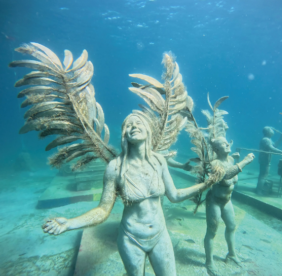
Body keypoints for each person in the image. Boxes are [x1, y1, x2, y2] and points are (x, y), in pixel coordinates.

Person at [42, 113, 220, 276]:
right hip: (131, 238)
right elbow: (103, 210)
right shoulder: (115, 168)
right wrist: (70, 223)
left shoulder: (159, 161)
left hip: (160, 234)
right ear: (124, 135)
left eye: (138, 122)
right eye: (128, 125)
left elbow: (174, 195)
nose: (133, 126)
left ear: (148, 129)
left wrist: (206, 184)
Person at [204, 137, 254, 276]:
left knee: (231, 227)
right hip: (214, 201)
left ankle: (231, 254)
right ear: (217, 149)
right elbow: (225, 176)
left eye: (227, 142)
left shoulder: (230, 161)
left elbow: (229, 166)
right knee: (212, 231)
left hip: (227, 201)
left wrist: (233, 157)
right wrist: (244, 161)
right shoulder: (214, 163)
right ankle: (209, 261)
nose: (227, 144)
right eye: (223, 144)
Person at [256, 126, 282, 195]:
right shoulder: (266, 139)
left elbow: (274, 146)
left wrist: (281, 138)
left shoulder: (268, 139)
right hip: (264, 160)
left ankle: (259, 189)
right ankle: (259, 191)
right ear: (268, 132)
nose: (273, 131)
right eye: (271, 129)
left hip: (265, 160)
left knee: (263, 175)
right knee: (263, 175)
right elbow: (272, 148)